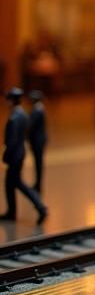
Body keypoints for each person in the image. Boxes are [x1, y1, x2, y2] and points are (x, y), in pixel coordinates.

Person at [2, 88, 47, 224]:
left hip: (15, 155)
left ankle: (40, 207)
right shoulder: (23, 114)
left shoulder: (15, 117)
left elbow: (12, 140)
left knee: (17, 183)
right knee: (11, 184)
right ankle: (12, 212)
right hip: (20, 152)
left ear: (11, 101)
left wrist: (6, 155)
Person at [26, 90, 47, 194]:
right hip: (39, 140)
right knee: (38, 163)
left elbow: (31, 126)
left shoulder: (37, 110)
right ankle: (37, 183)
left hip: (37, 141)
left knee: (38, 163)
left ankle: (38, 184)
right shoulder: (40, 108)